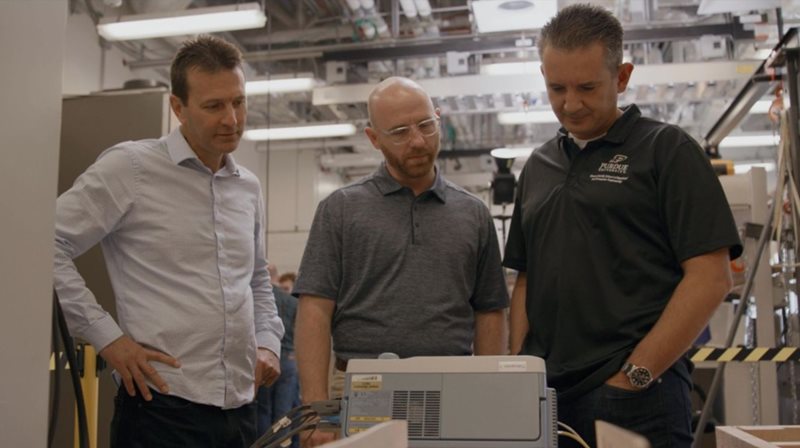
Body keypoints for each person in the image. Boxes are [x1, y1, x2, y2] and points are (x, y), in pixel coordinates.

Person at [503, 5, 742, 448]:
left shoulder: (665, 150)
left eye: (587, 87)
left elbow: (711, 276)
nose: (570, 104)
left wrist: (636, 374)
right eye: (557, 87)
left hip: (637, 396)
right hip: (548, 396)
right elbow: (526, 276)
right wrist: (521, 368)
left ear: (622, 76)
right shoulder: (538, 166)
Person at [53, 35, 284, 448]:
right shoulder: (132, 168)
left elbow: (256, 279)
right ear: (178, 108)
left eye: (239, 101)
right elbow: (46, 245)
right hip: (162, 408)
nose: (232, 118)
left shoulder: (247, 187)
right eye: (214, 106)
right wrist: (108, 338)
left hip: (240, 408)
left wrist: (268, 340)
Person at [294, 76, 510, 447]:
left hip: (452, 387)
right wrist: (318, 410)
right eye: (399, 131)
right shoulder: (341, 209)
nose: (417, 141)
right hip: (361, 388)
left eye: (426, 125)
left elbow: (490, 310)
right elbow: (315, 310)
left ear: (439, 119)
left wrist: (486, 390)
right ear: (373, 138)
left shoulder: (472, 214)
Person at [257, 264, 300, 448]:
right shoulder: (292, 301)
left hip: (265, 357)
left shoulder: (259, 301)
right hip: (289, 361)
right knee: (284, 414)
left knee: (262, 411)